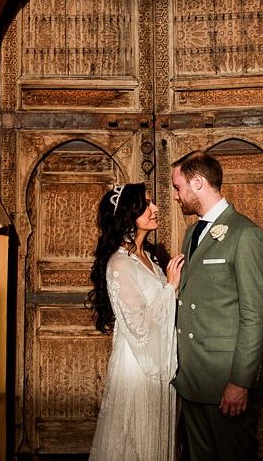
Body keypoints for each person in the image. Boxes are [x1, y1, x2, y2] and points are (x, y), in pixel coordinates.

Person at [171, 150, 263, 461]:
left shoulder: (246, 234)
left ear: (198, 182)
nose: (176, 196)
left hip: (226, 383)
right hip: (192, 381)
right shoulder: (191, 233)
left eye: (178, 187)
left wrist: (240, 382)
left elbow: (254, 315)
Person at [87, 182, 185, 461]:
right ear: (129, 215)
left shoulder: (150, 258)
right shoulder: (119, 264)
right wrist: (170, 287)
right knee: (135, 442)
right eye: (146, 205)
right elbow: (139, 325)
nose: (156, 208)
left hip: (159, 358)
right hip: (138, 365)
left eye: (153, 203)